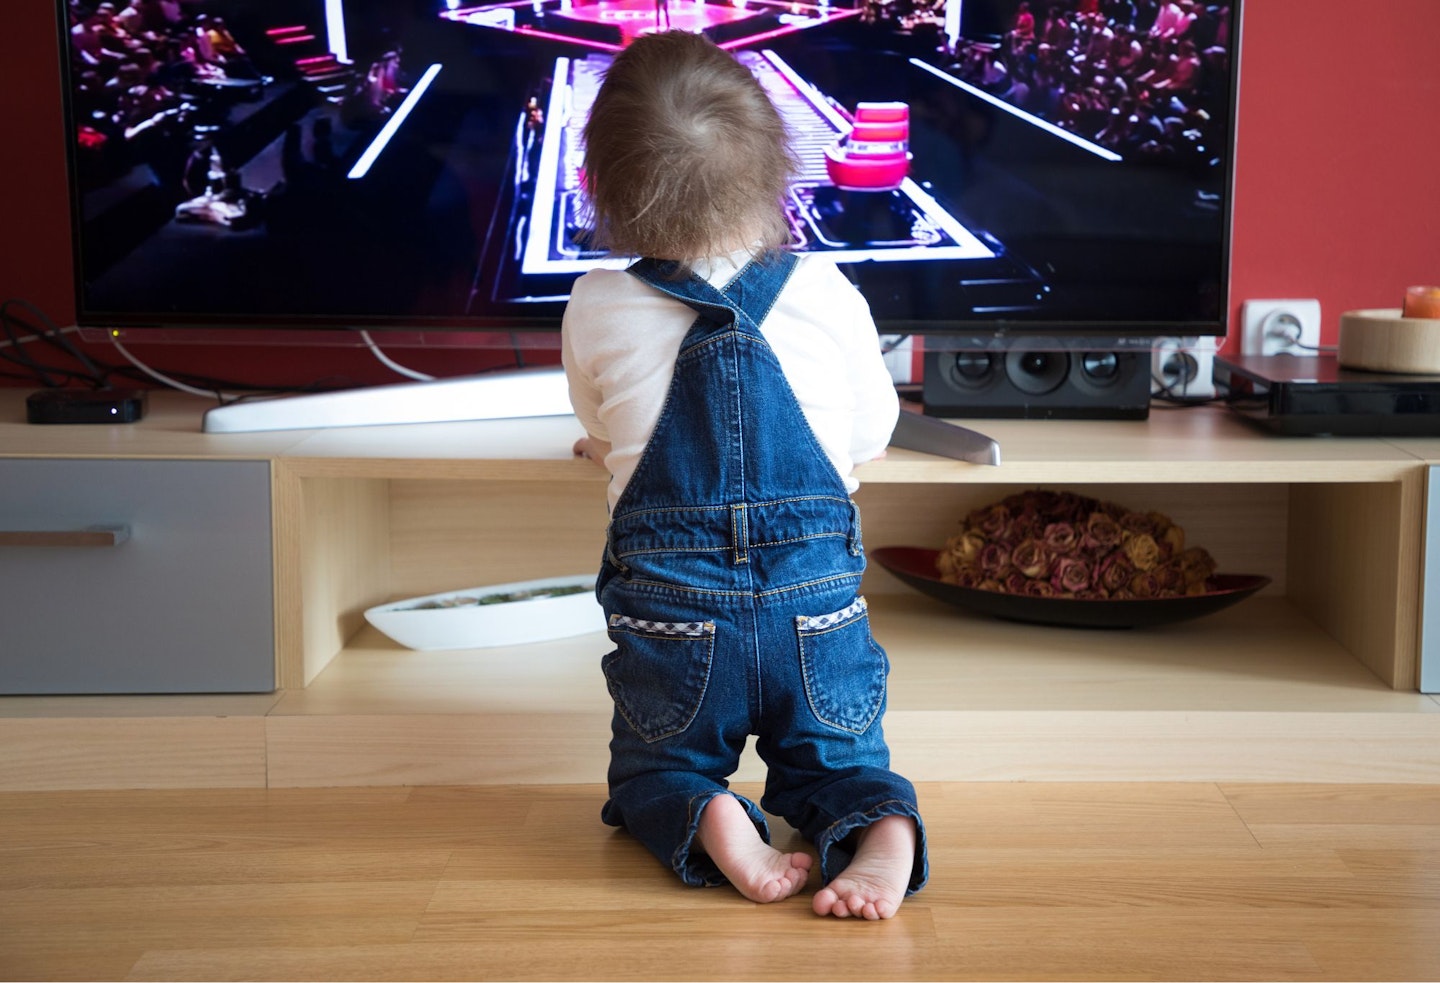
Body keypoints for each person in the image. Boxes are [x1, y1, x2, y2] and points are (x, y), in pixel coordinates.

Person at [560, 30, 927, 920]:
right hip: (817, 606)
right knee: (839, 759)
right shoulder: (830, 289)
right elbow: (873, 431)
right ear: (778, 177)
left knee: (658, 763)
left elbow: (601, 427)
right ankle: (876, 827)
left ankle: (713, 810)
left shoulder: (598, 303)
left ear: (600, 187)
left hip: (675, 616)